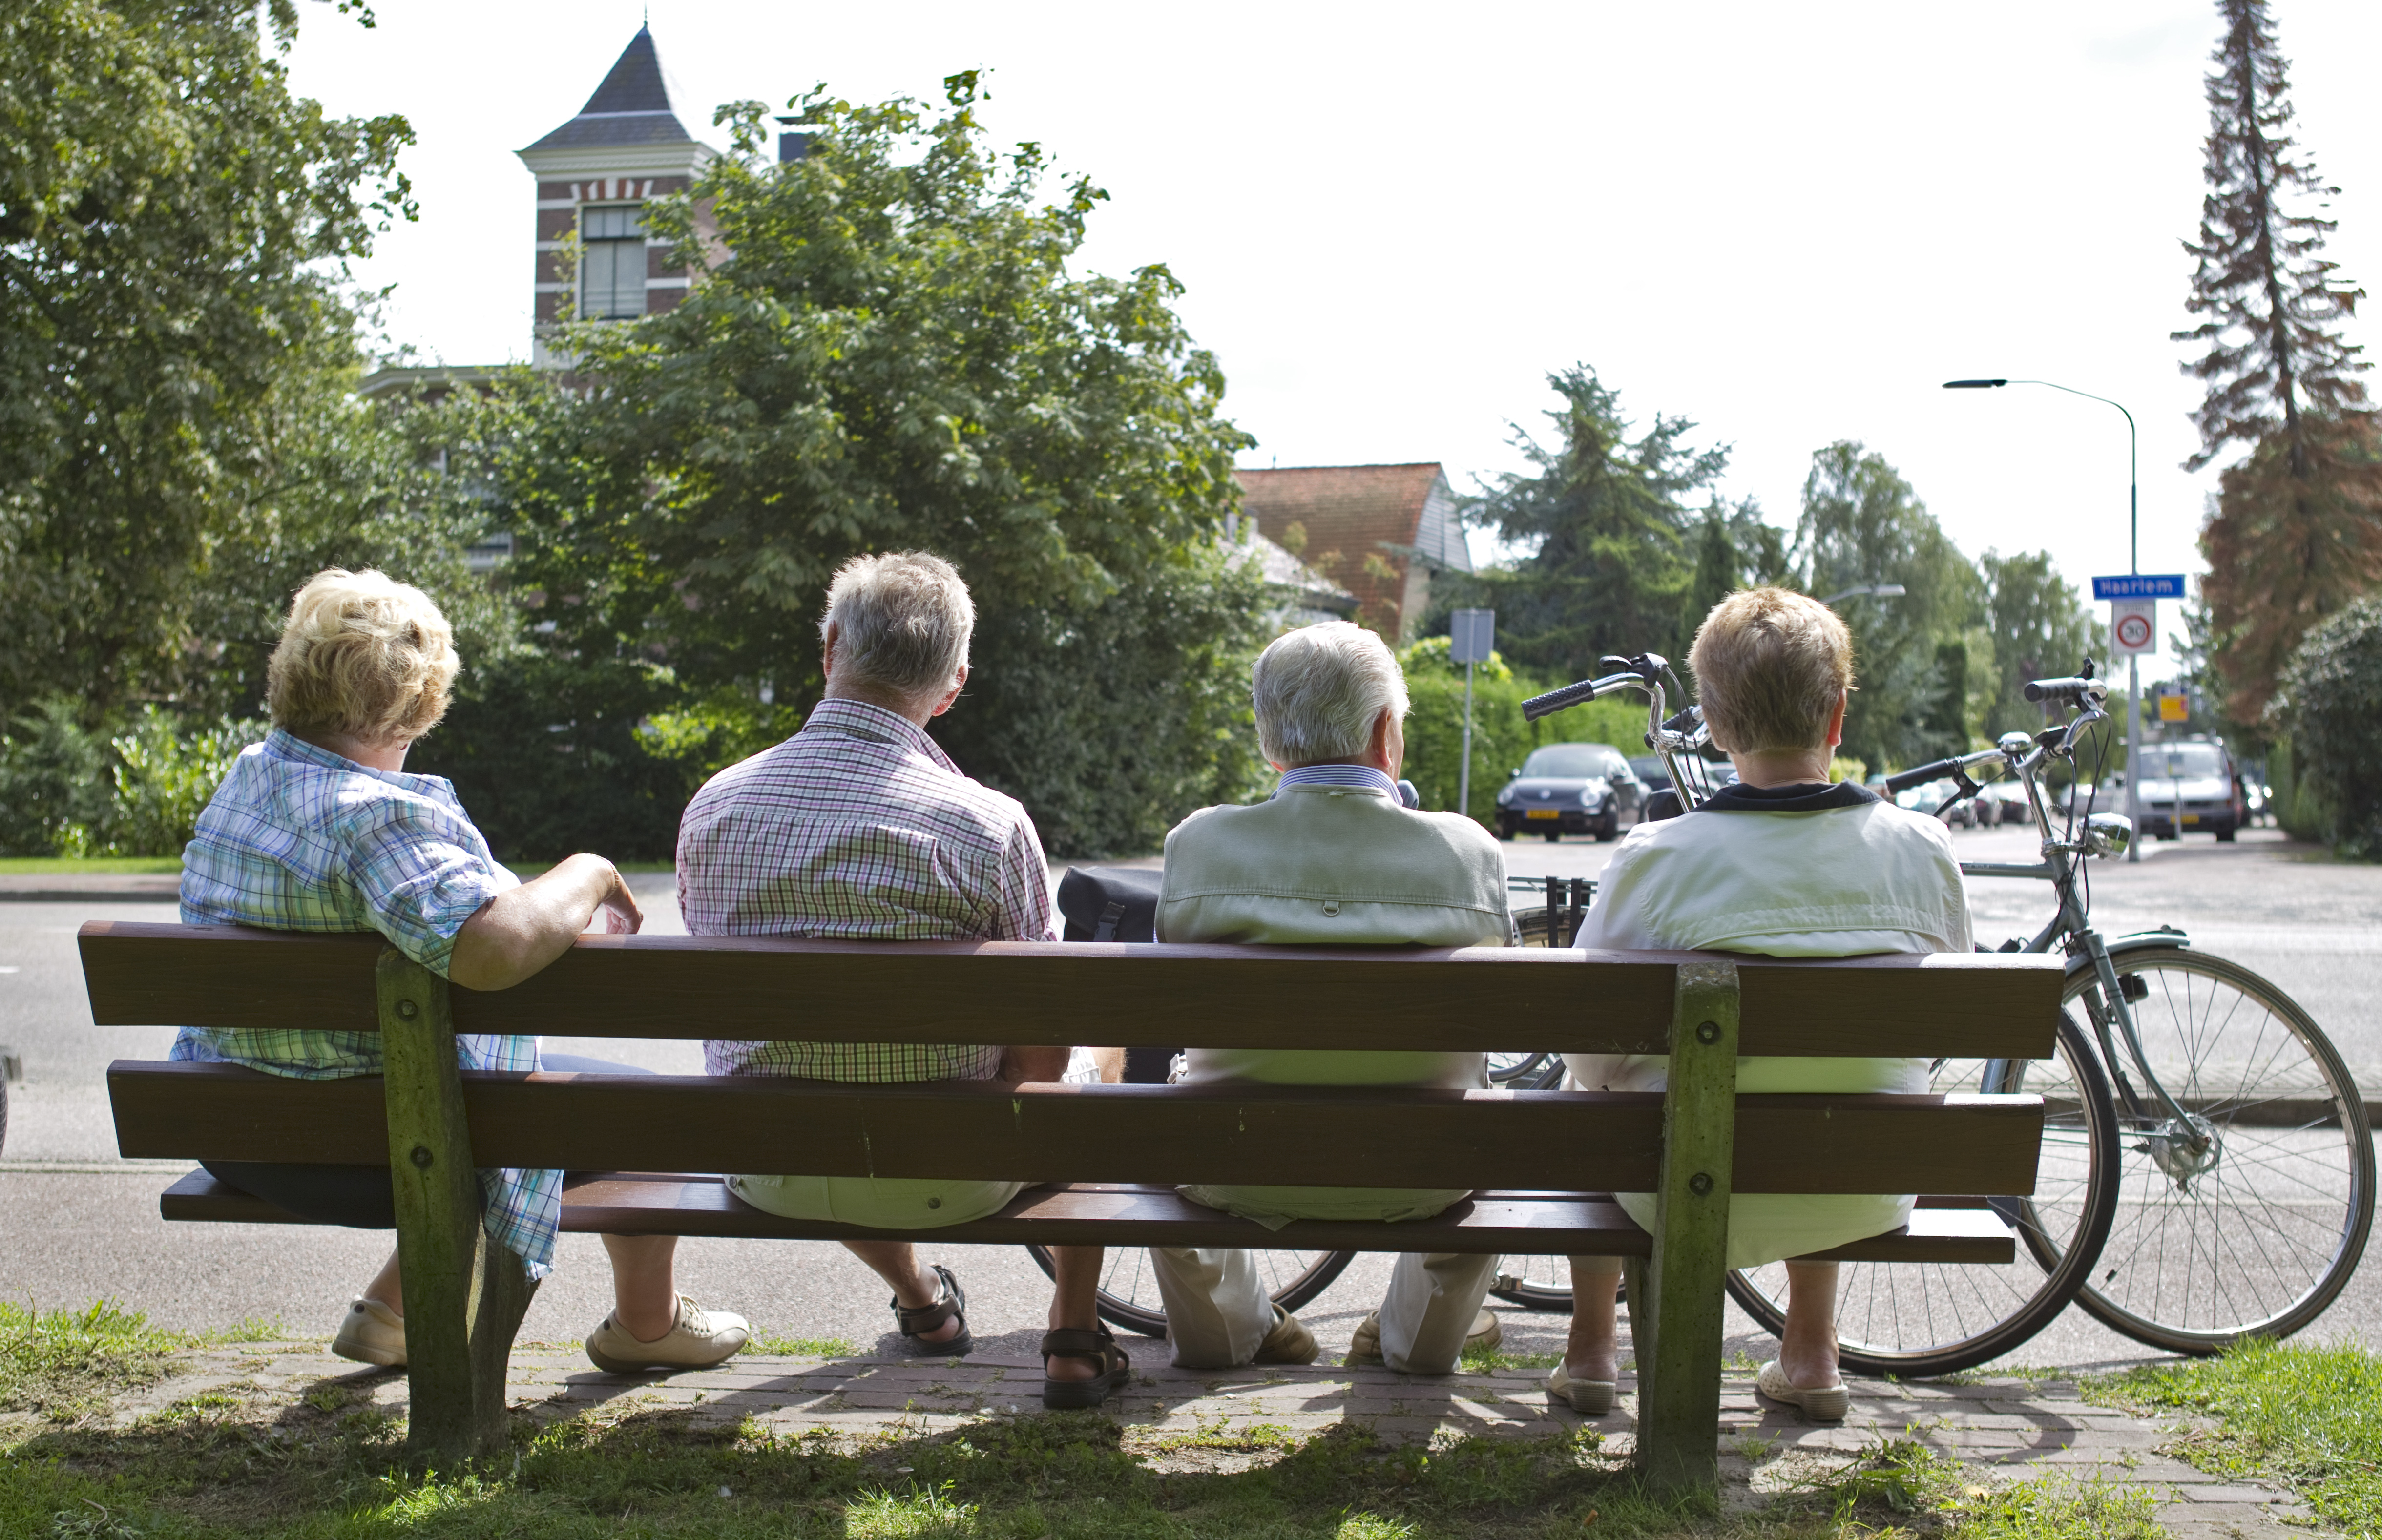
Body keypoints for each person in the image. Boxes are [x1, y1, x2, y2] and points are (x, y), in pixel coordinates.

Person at [177, 568, 748, 1374]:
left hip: (237, 1127)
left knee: (485, 1092)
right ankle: (646, 1326)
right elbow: (491, 949)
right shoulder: (374, 816)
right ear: (422, 701)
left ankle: (393, 1308)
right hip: (367, 1149)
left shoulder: (248, 784)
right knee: (646, 1113)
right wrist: (587, 870)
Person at [679, 551, 1121, 1409]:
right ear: (951, 686)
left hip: (767, 1163)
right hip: (955, 1167)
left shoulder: (715, 806)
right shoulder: (989, 825)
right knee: (1094, 1068)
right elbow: (1039, 1058)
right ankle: (1070, 1334)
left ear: (831, 647)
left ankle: (923, 1306)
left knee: (828, 1087)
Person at [1556, 587, 1972, 1421]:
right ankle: (1811, 1351)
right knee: (1839, 1084)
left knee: (1586, 1097)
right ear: (1838, 716)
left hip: (1667, 1186)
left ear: (1710, 721)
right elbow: (1932, 1037)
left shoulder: (1656, 858)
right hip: (1863, 1183)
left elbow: (1587, 1055)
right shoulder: (1921, 851)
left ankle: (1593, 1345)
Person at [1151, 620, 1513, 1375]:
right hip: (1427, 1170)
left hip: (1233, 1163)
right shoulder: (1468, 853)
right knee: (1487, 1125)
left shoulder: (1198, 844)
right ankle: (1412, 1341)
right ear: (1388, 733)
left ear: (1266, 739)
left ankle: (1230, 1332)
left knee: (1169, 1124)